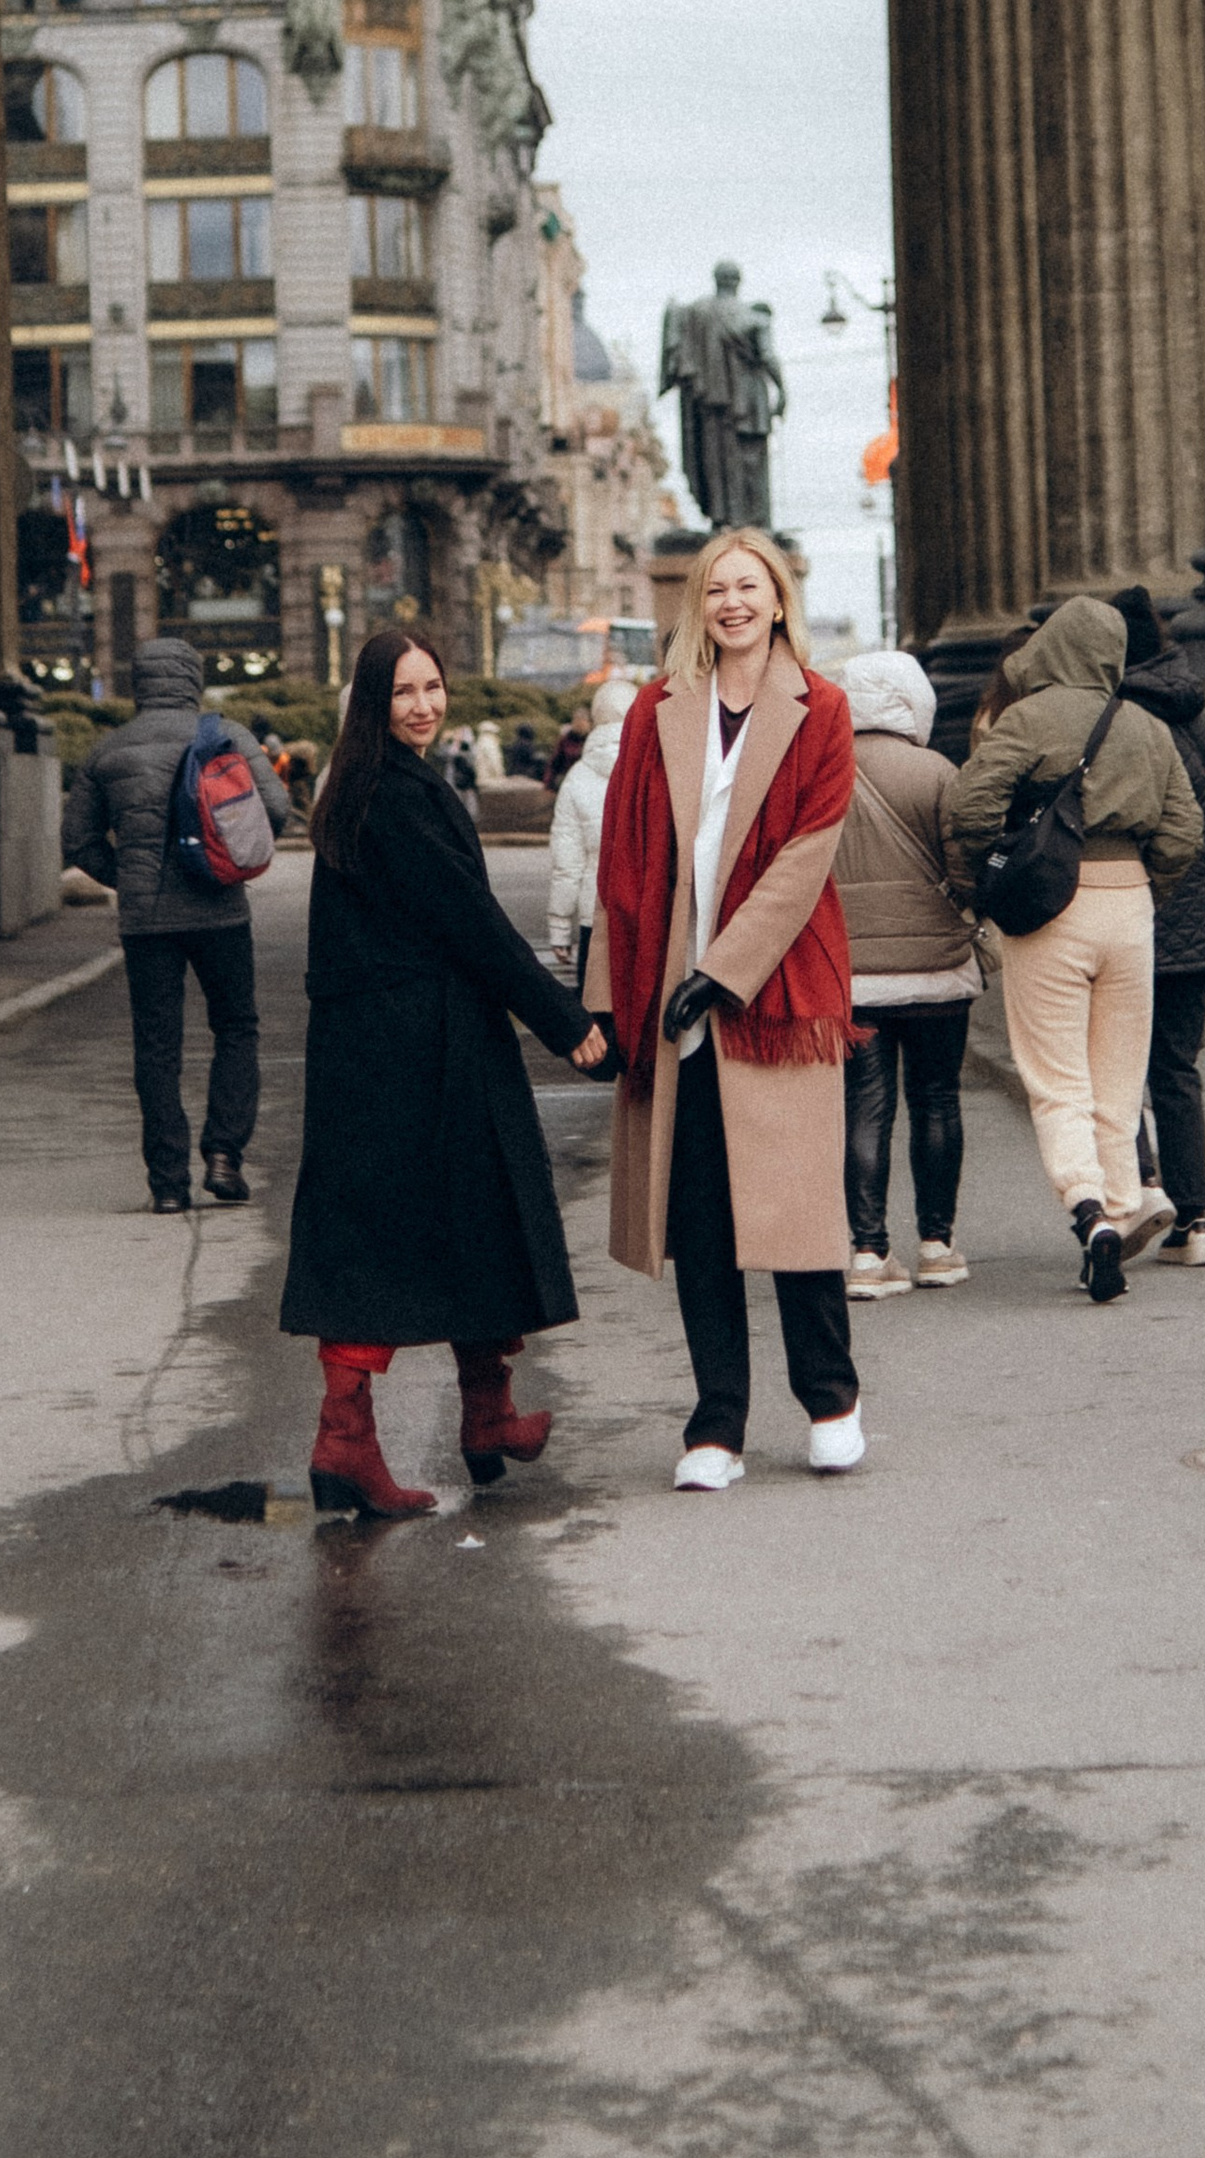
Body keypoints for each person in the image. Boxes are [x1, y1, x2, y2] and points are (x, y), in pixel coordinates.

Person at [280, 627, 610, 1515]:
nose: (423, 705)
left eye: (432, 687)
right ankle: (346, 1442)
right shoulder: (393, 794)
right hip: (413, 1050)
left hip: (402, 1045)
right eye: (403, 693)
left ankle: (487, 1416)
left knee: (469, 1213)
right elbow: (468, 921)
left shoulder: (371, 784)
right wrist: (566, 1021)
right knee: (383, 1240)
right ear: (373, 705)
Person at [591, 528, 864, 1489]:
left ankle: (830, 1399)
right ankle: (716, 1425)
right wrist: (606, 1000)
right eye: (716, 589)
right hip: (671, 994)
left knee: (794, 1215)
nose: (732, 603)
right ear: (697, 606)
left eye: (749, 587)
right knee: (699, 1219)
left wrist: (726, 969)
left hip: (778, 990)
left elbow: (807, 857)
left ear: (779, 601)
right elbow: (619, 863)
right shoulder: (658, 710)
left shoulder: (822, 708)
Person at [947, 597, 1202, 1304]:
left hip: (1050, 906)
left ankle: (1089, 1213)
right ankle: (1126, 1203)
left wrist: (983, 876)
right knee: (1119, 1079)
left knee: (1057, 1077)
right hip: (1130, 905)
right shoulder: (1148, 726)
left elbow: (967, 805)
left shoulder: (1027, 718)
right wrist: (1148, 886)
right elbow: (1185, 829)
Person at [63, 636, 292, 1212]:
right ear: (193, 678)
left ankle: (167, 1184)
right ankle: (223, 1156)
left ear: (138, 682)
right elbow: (279, 810)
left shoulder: (106, 751)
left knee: (157, 1046)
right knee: (236, 1027)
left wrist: (127, 876)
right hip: (220, 908)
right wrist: (229, 856)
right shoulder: (228, 737)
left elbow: (77, 842)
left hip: (145, 921)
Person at [834, 649, 982, 1297]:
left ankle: (868, 1252)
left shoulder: (820, 773)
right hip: (937, 969)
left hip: (854, 973)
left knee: (865, 1108)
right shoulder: (938, 771)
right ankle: (937, 1245)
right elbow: (967, 872)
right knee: (937, 1100)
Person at [1111, 589, 1205, 1264]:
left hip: (1126, 909)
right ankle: (1195, 1224)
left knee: (1118, 1068)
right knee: (1177, 1069)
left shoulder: (1111, 718)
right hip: (1195, 917)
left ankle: (1143, 1190)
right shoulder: (1198, 716)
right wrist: (1191, 863)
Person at [544, 674, 635, 985]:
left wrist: (559, 926)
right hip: (646, 913)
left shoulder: (577, 778)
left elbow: (566, 864)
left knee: (595, 1014)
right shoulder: (657, 767)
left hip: (591, 911)